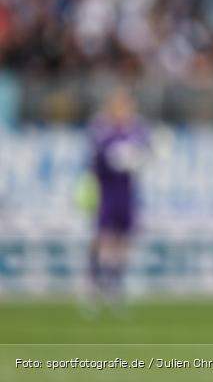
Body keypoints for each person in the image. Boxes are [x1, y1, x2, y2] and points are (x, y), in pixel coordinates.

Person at [85, 86, 149, 307]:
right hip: (106, 189)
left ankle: (116, 283)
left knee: (124, 238)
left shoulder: (137, 129)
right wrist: (112, 158)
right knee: (103, 235)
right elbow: (95, 158)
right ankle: (95, 282)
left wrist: (137, 158)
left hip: (127, 190)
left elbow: (146, 153)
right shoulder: (102, 129)